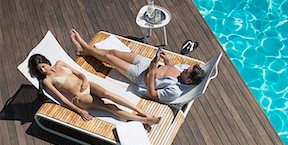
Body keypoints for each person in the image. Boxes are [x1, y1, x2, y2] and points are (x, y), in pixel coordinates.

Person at [70, 29, 206, 104]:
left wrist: (152, 72)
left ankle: (84, 46)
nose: (185, 69)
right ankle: (84, 51)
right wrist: (166, 60)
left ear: (188, 81)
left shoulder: (175, 91)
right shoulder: (185, 69)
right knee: (114, 52)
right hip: (148, 63)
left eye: (187, 72)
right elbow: (172, 66)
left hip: (140, 76)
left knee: (109, 58)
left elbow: (152, 94)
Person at [28, 54, 161, 128]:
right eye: (41, 70)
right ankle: (144, 120)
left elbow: (79, 73)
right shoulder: (47, 81)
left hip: (87, 85)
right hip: (80, 97)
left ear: (46, 62)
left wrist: (85, 80)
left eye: (43, 66)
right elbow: (61, 99)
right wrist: (80, 111)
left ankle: (144, 113)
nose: (44, 70)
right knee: (110, 107)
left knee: (109, 94)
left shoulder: (60, 63)